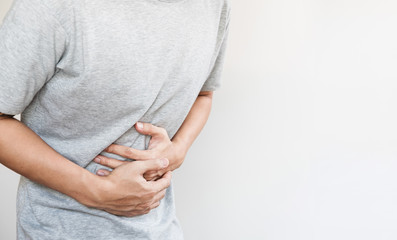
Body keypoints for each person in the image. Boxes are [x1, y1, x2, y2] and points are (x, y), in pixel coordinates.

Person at [0, 0, 231, 238]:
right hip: (61, 230)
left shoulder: (214, 5)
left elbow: (203, 94)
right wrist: (94, 191)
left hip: (161, 229)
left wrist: (178, 149)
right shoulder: (52, 7)